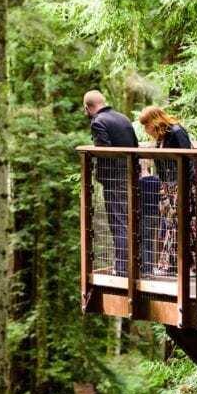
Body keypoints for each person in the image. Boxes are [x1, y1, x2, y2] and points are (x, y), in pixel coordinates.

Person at [139, 106, 197, 275]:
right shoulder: (161, 137)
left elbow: (188, 159)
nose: (145, 129)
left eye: (146, 125)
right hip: (167, 186)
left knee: (178, 224)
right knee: (172, 224)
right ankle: (182, 265)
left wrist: (183, 186)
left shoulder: (176, 132)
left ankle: (178, 265)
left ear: (154, 121)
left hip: (181, 184)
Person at [84, 90, 137, 276]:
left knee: (118, 222)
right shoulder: (123, 118)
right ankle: (133, 265)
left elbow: (104, 150)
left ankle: (122, 268)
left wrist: (94, 153)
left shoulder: (98, 122)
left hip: (114, 179)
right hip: (130, 174)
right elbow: (135, 146)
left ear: (88, 107)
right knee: (130, 220)